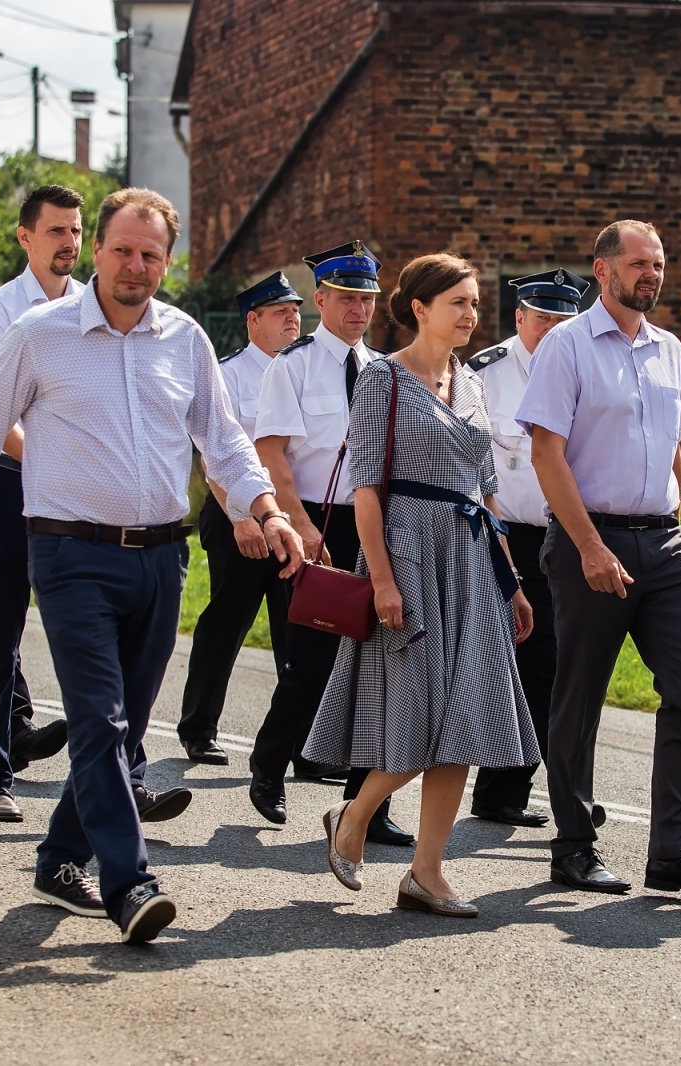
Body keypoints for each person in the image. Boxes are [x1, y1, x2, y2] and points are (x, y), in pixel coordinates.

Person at [0, 187, 305, 943]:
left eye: (151, 254)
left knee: (118, 734)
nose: (136, 266)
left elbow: (225, 442)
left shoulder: (185, 338)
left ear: (168, 261)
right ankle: (129, 883)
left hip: (163, 560)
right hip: (68, 554)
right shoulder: (41, 334)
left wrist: (267, 510)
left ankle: (59, 857)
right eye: (123, 250)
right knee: (99, 718)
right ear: (95, 251)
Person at [304, 252, 538, 917]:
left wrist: (511, 581)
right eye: (457, 303)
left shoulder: (472, 383)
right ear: (419, 309)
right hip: (407, 552)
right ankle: (355, 814)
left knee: (465, 720)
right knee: (419, 713)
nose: (470, 314)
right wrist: (380, 578)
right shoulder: (383, 379)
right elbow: (367, 491)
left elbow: (487, 492)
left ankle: (426, 874)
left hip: (471, 561)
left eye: (473, 303)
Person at [516, 220, 681, 899]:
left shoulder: (669, 350)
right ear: (603, 269)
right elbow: (546, 453)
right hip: (594, 537)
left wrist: (677, 520)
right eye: (640, 263)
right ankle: (574, 845)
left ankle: (676, 850)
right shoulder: (567, 347)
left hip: (665, 542)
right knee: (579, 695)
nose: (653, 273)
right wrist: (588, 545)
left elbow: (674, 442)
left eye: (660, 263)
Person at [246, 241, 412, 846]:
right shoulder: (289, 366)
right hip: (316, 524)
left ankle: (364, 806)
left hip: (378, 528)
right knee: (310, 663)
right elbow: (272, 455)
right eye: (347, 298)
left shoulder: (388, 371)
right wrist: (302, 527)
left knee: (382, 672)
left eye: (367, 299)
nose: (358, 310)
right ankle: (268, 765)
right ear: (320, 300)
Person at [0, 186, 79, 806]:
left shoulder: (95, 306)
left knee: (97, 632)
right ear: (25, 237)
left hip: (81, 492)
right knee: (0, 629)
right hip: (14, 485)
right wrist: (52, 458)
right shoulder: (2, 311)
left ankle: (124, 773)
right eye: (56, 231)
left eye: (75, 232)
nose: (68, 243)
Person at [464, 268, 589, 827]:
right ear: (519, 317)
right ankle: (499, 788)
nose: (553, 329)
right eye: (543, 318)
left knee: (560, 667)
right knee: (522, 664)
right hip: (503, 536)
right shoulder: (483, 373)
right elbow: (468, 465)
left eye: (565, 320)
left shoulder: (584, 367)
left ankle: (516, 788)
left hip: (567, 535)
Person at [176, 271, 304, 765]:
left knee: (297, 629)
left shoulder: (302, 369)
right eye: (279, 312)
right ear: (253, 320)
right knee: (228, 622)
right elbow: (216, 455)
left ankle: (299, 742)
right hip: (241, 517)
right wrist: (240, 519)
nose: (292, 318)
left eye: (294, 310)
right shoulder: (228, 374)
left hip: (293, 519)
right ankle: (199, 727)